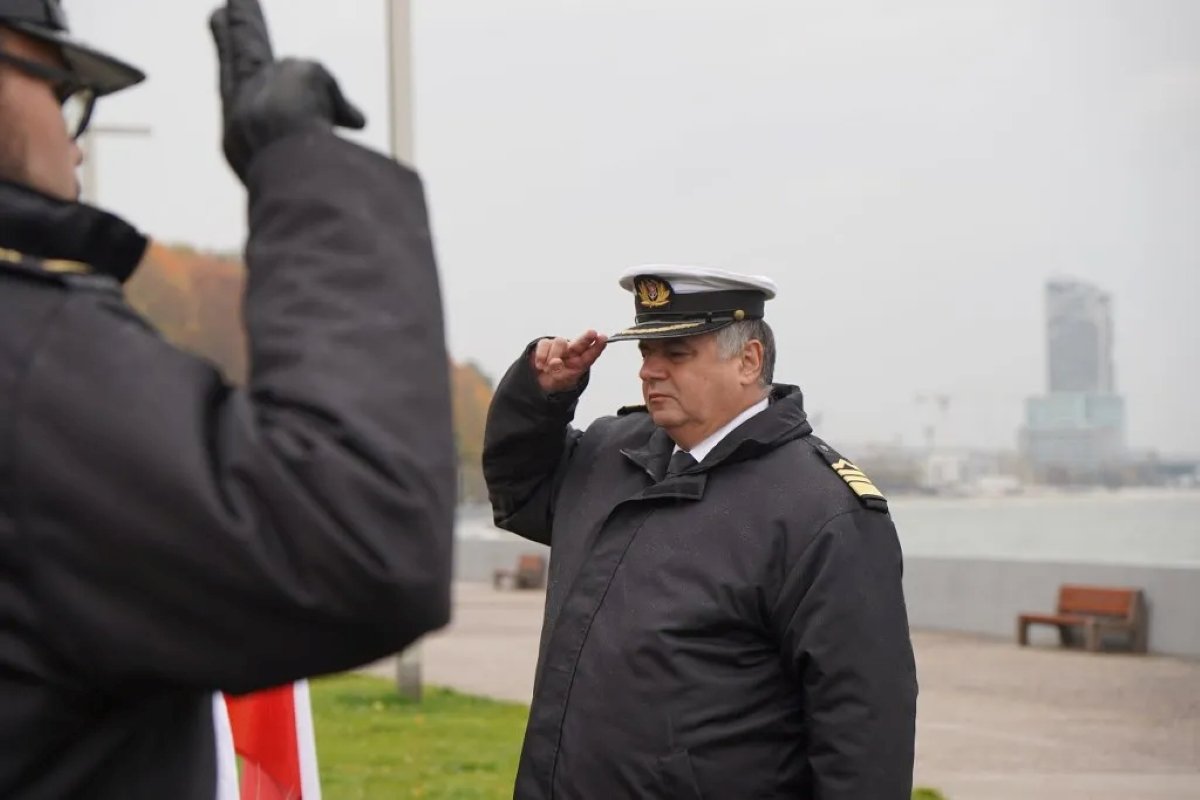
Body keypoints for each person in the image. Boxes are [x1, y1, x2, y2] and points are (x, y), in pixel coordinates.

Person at [0, 1, 455, 796]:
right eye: (62, 88)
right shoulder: (27, 360)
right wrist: (305, 167)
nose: (74, 140)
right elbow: (356, 531)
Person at [484, 265, 918, 799]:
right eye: (646, 353)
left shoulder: (823, 510)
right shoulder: (607, 454)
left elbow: (864, 730)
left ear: (748, 361)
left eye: (677, 354)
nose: (650, 372)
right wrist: (538, 397)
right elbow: (520, 494)